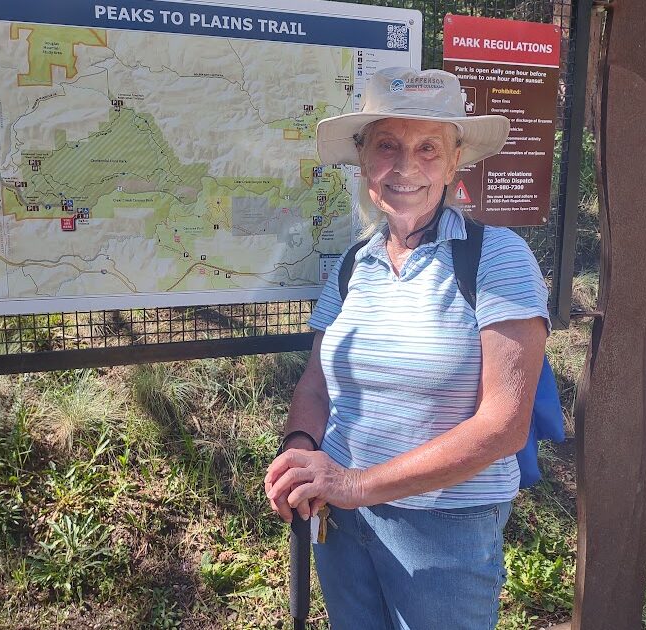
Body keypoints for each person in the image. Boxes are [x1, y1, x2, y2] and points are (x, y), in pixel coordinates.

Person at [264, 67, 550, 630]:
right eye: (387, 145)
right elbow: (316, 385)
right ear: (365, 160)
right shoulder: (353, 265)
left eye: (427, 148)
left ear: (452, 164)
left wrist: (354, 484)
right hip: (342, 525)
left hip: (446, 534)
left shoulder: (498, 259)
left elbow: (505, 425)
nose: (405, 166)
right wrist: (301, 452)